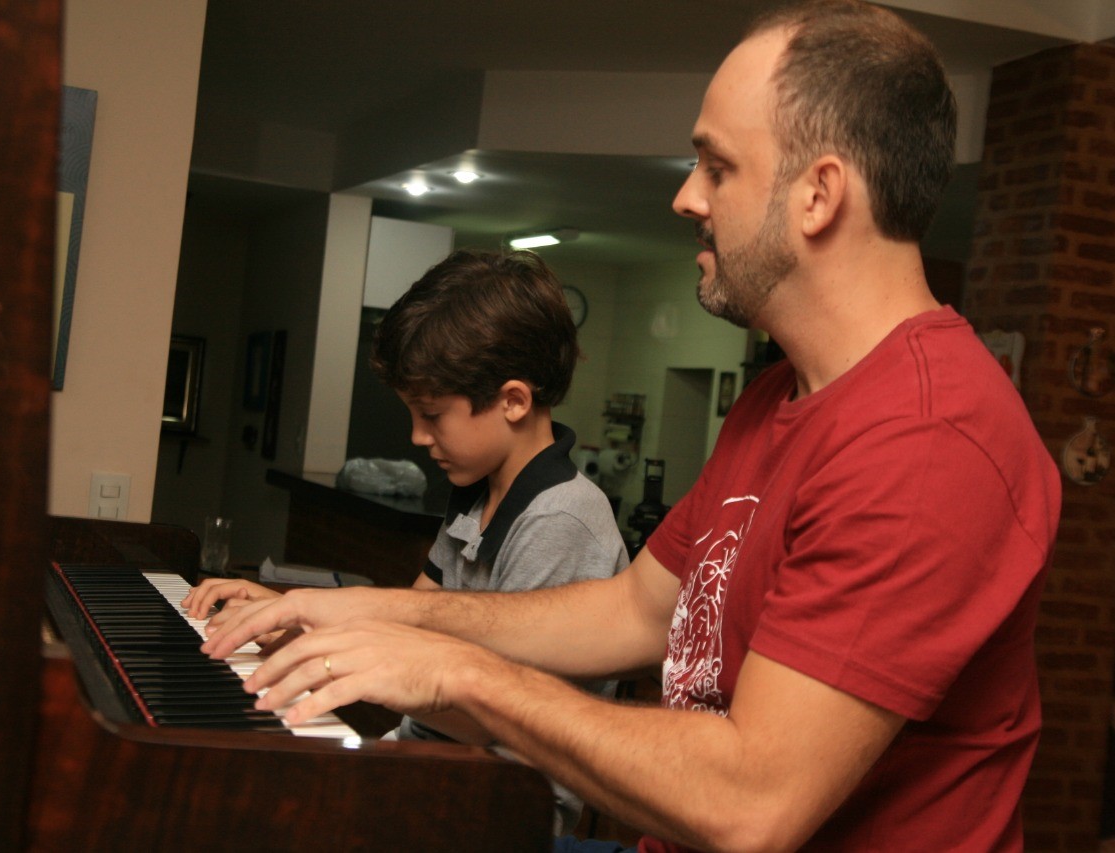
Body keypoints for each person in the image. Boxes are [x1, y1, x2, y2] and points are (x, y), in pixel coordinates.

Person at [200, 2, 1061, 850]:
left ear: (817, 194)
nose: (686, 197)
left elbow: (750, 802)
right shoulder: (777, 397)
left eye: (715, 167)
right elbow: (635, 609)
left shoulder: (925, 438)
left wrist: (454, 669)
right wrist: (365, 616)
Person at [184, 248, 629, 833]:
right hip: (421, 763)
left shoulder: (561, 521)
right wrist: (288, 621)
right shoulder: (478, 488)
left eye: (432, 414)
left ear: (513, 401)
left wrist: (344, 663)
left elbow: (515, 723)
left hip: (497, 809)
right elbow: (409, 623)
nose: (418, 436)